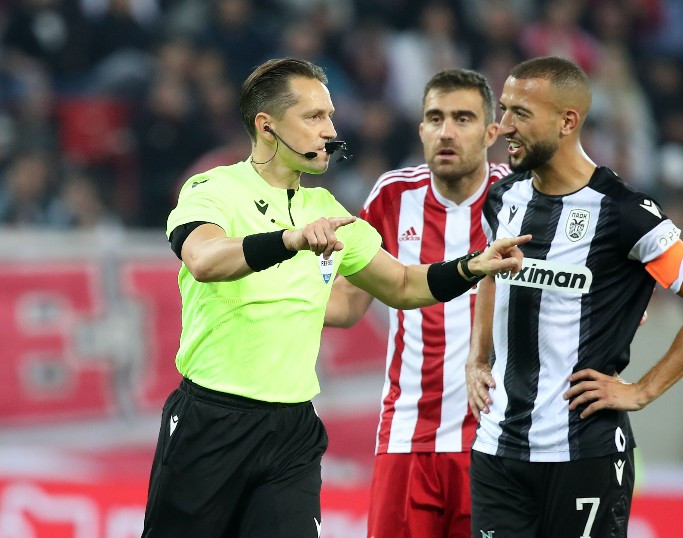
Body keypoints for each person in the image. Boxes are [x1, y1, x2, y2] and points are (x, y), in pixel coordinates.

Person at [141, 57, 530, 538]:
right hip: (211, 421)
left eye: (329, 116)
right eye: (314, 117)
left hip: (293, 431)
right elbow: (204, 259)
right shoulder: (213, 188)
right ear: (267, 126)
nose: (330, 130)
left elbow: (403, 285)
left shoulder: (326, 209)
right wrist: (290, 239)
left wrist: (471, 266)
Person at [465, 56, 683, 537]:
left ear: (567, 121)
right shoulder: (503, 198)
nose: (503, 125)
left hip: (584, 453)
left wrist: (643, 390)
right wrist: (477, 358)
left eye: (520, 113)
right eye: (504, 109)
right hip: (498, 451)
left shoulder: (625, 212)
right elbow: (490, 275)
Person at [324, 68, 508, 537]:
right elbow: (348, 302)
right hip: (408, 435)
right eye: (436, 118)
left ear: (491, 133)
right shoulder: (393, 195)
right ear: (422, 129)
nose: (447, 132)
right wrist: (270, 301)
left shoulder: (522, 197)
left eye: (463, 119)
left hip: (498, 439)